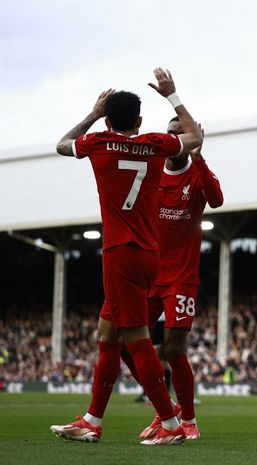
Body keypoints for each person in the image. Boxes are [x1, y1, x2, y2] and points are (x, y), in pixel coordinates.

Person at [50, 68, 202, 445]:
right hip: (149, 253)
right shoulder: (155, 143)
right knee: (108, 335)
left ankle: (170, 424)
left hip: (120, 252)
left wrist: (91, 115)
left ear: (107, 119)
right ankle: (92, 419)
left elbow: (62, 143)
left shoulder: (97, 143)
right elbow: (194, 136)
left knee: (134, 337)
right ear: (138, 120)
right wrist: (172, 94)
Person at [132, 116, 223, 441]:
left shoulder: (195, 175)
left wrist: (198, 155)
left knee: (173, 350)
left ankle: (189, 421)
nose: (173, 139)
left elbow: (216, 199)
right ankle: (165, 410)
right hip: (148, 275)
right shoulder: (151, 172)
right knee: (128, 344)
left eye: (179, 133)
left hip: (181, 278)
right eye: (169, 133)